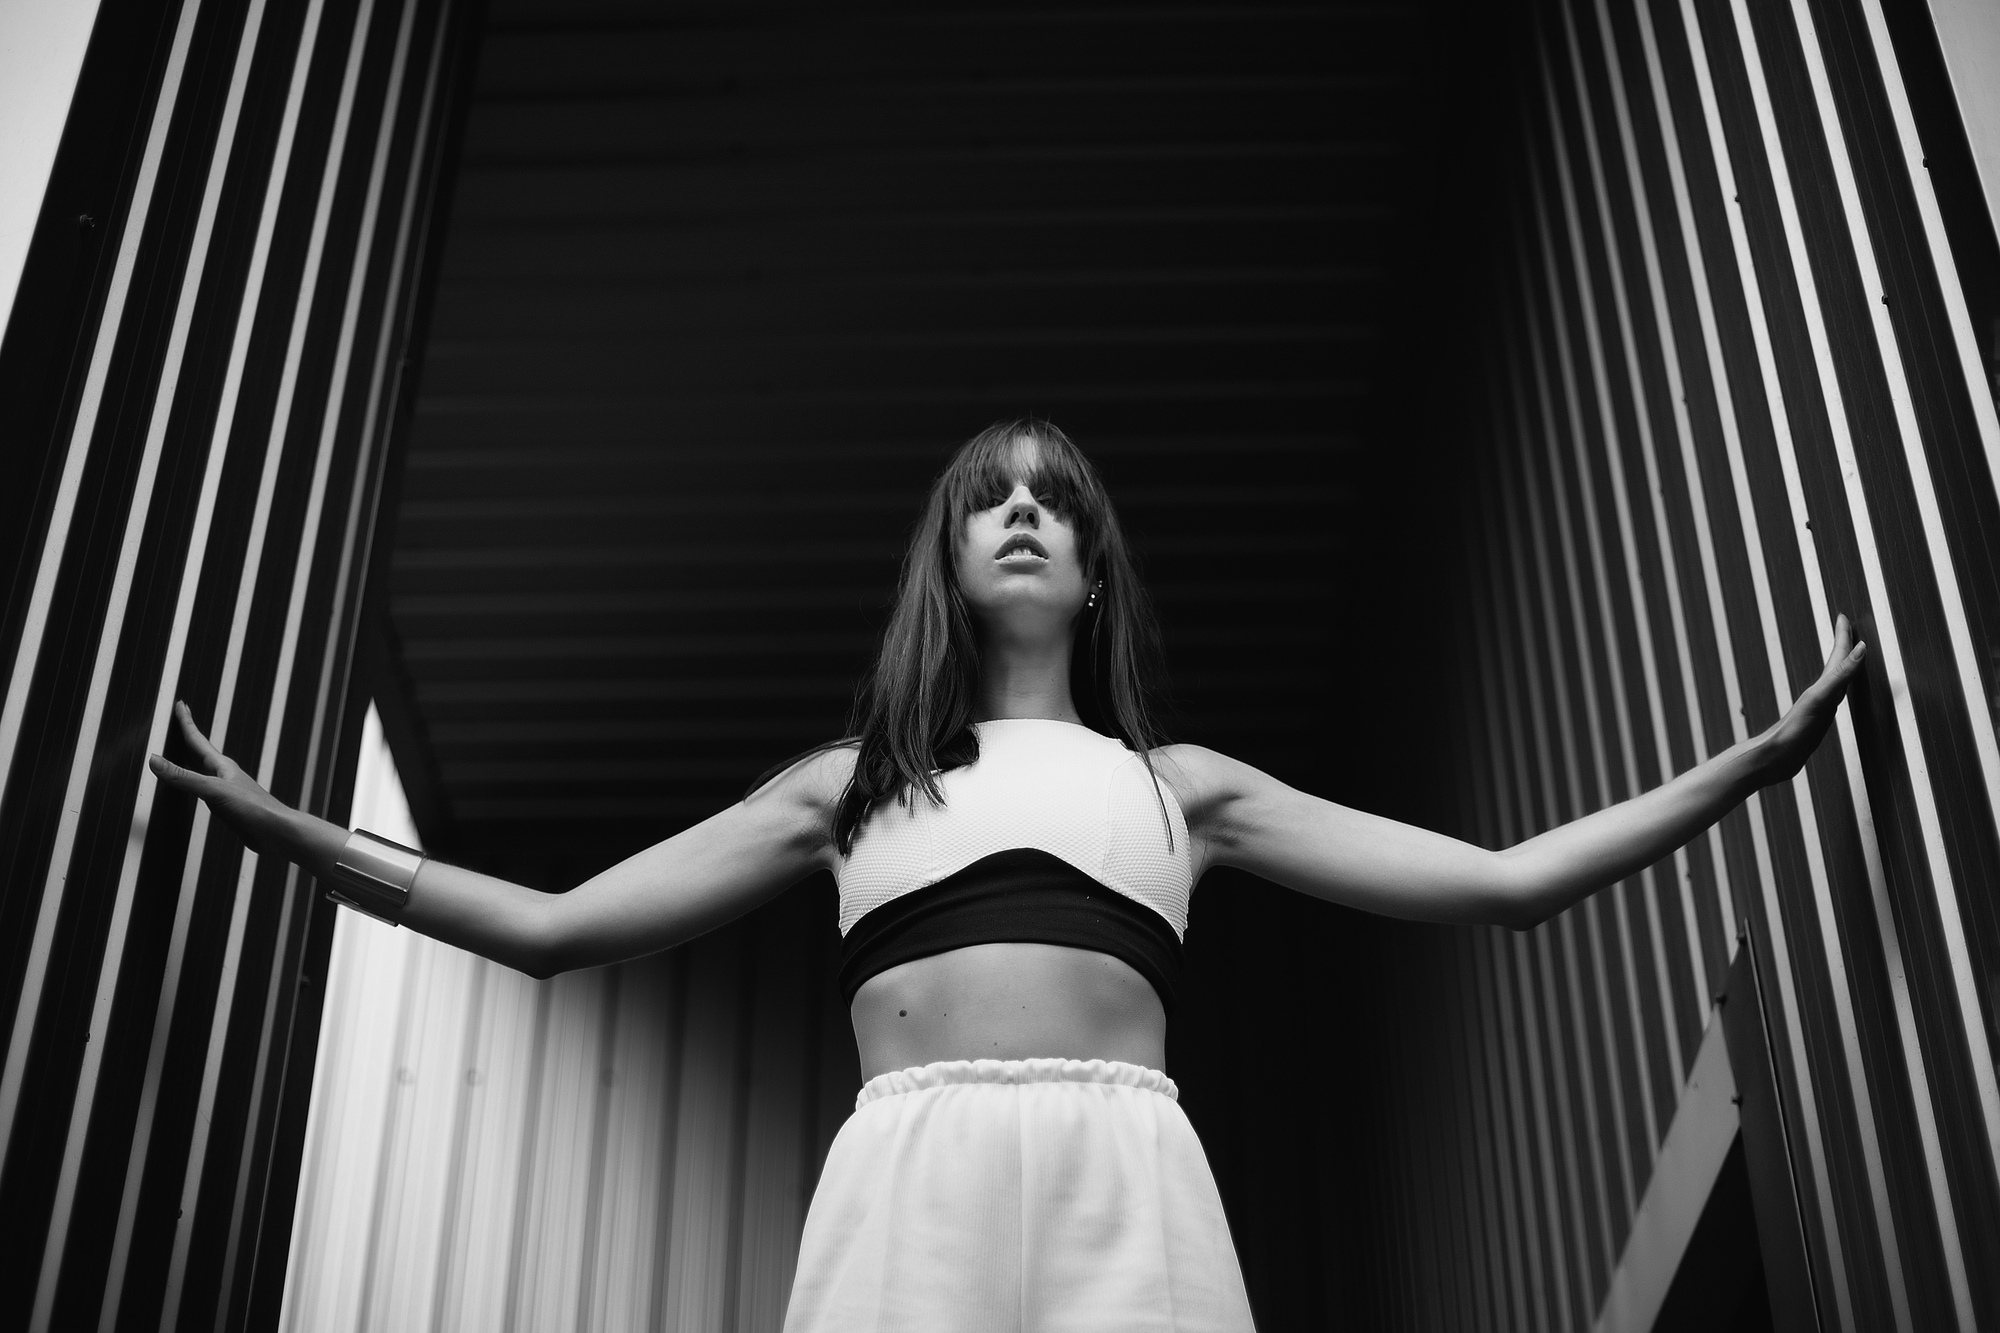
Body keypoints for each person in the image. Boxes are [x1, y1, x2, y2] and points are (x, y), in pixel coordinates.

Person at [150, 420, 1866, 1332]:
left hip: (1134, 1153)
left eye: (1059, 499)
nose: (1027, 514)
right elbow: (545, 928)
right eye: (992, 499)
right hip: (911, 1163)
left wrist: (1750, 765)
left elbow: (1501, 881)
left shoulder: (1178, 787)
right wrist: (287, 824)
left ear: (1099, 569)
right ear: (949, 559)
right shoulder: (848, 790)